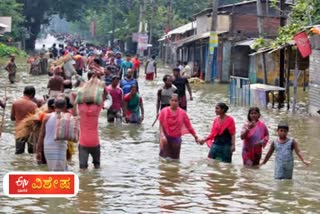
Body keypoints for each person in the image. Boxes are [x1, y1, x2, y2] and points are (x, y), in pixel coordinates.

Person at [158, 94, 198, 159]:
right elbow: (161, 124)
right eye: (172, 100)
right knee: (163, 158)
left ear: (179, 101)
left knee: (175, 160)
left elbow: (189, 127)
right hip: (165, 138)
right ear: (169, 101)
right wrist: (162, 134)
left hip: (176, 139)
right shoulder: (164, 111)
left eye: (176, 101)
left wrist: (195, 136)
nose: (174, 102)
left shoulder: (183, 113)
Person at [36, 98, 68, 171]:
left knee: (52, 169)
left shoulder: (46, 117)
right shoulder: (67, 117)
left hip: (48, 146)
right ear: (65, 106)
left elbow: (41, 135)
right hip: (61, 146)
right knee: (62, 170)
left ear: (54, 106)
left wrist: (38, 151)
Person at [77, 98, 103, 169]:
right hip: (95, 142)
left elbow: (77, 97)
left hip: (83, 143)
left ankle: (85, 180)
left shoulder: (81, 108)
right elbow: (103, 97)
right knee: (97, 166)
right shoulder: (97, 109)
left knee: (82, 168)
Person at [11, 86, 38, 154]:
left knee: (18, 152)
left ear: (24, 92)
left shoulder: (15, 103)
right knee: (32, 153)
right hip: (30, 131)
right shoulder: (34, 105)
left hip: (19, 131)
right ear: (32, 94)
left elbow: (12, 118)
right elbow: (36, 120)